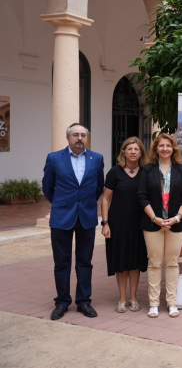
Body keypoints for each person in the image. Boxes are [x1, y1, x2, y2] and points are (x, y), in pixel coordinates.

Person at [42, 123, 104, 320]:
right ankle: (61, 302)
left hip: (86, 216)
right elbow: (47, 187)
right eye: (76, 135)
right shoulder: (54, 158)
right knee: (61, 262)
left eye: (83, 135)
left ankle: (84, 301)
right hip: (62, 217)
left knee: (85, 262)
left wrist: (85, 203)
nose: (79, 138)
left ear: (87, 138)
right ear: (68, 137)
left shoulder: (97, 159)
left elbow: (98, 187)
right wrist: (61, 204)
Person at [138, 133, 182, 318]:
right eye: (161, 146)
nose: (165, 149)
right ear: (156, 149)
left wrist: (177, 217)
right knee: (154, 263)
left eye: (168, 146)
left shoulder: (181, 169)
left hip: (176, 224)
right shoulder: (148, 170)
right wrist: (155, 218)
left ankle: (171, 303)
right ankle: (153, 303)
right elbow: (142, 196)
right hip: (153, 223)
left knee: (172, 263)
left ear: (173, 148)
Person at [101, 137, 149, 313]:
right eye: (129, 149)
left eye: (136, 149)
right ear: (123, 152)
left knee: (135, 262)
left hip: (139, 224)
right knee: (121, 262)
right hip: (117, 223)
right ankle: (122, 298)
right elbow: (106, 199)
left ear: (141, 152)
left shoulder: (146, 172)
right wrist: (105, 223)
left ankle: (134, 298)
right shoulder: (115, 172)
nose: (133, 152)